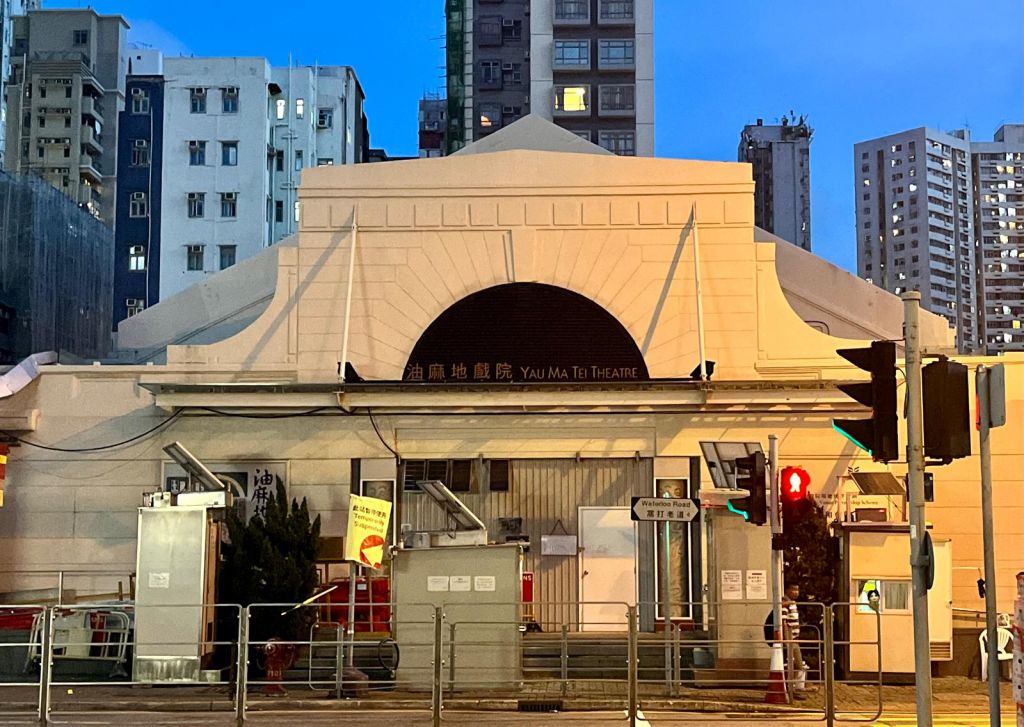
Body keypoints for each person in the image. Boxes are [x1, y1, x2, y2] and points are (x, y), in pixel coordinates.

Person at [782, 582, 811, 699]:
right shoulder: (785, 603)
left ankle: (791, 688)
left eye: (797, 590)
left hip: (794, 638)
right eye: (793, 589)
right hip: (790, 640)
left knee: (794, 665)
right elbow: (783, 622)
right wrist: (786, 639)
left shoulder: (792, 603)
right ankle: (791, 689)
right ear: (787, 589)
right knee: (796, 664)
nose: (796, 592)